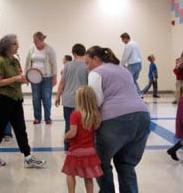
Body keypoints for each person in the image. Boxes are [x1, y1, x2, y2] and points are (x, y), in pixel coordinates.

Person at [85, 46, 151, 193]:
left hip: (116, 120)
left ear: (96, 59)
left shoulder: (96, 73)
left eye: (88, 63)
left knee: (101, 163)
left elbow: (96, 101)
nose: (87, 67)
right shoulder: (123, 69)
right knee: (126, 165)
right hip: (143, 117)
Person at [0, 34, 46, 168]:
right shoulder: (1, 61)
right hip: (5, 99)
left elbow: (19, 76)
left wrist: (24, 79)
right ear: (7, 46)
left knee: (21, 129)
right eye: (15, 44)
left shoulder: (15, 61)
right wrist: (16, 79)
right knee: (0, 129)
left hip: (17, 98)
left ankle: (28, 157)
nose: (18, 46)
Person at [62, 86, 103, 193]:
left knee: (70, 174)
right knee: (88, 177)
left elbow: (73, 132)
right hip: (90, 151)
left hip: (76, 151)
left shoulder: (75, 114)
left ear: (79, 100)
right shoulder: (95, 115)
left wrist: (65, 136)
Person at [55, 44, 88, 151]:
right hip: (82, 101)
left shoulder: (67, 66)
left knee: (69, 124)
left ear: (73, 53)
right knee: (83, 125)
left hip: (68, 100)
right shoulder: (87, 66)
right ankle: (80, 146)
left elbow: (62, 83)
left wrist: (58, 97)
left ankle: (68, 147)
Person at [25, 31, 57, 124]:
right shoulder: (31, 48)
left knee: (46, 97)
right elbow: (27, 62)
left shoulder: (49, 49)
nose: (34, 42)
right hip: (34, 78)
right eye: (33, 40)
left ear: (41, 40)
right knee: (35, 98)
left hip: (47, 77)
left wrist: (55, 77)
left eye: (36, 41)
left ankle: (48, 118)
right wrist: (26, 76)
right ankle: (37, 118)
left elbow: (54, 64)